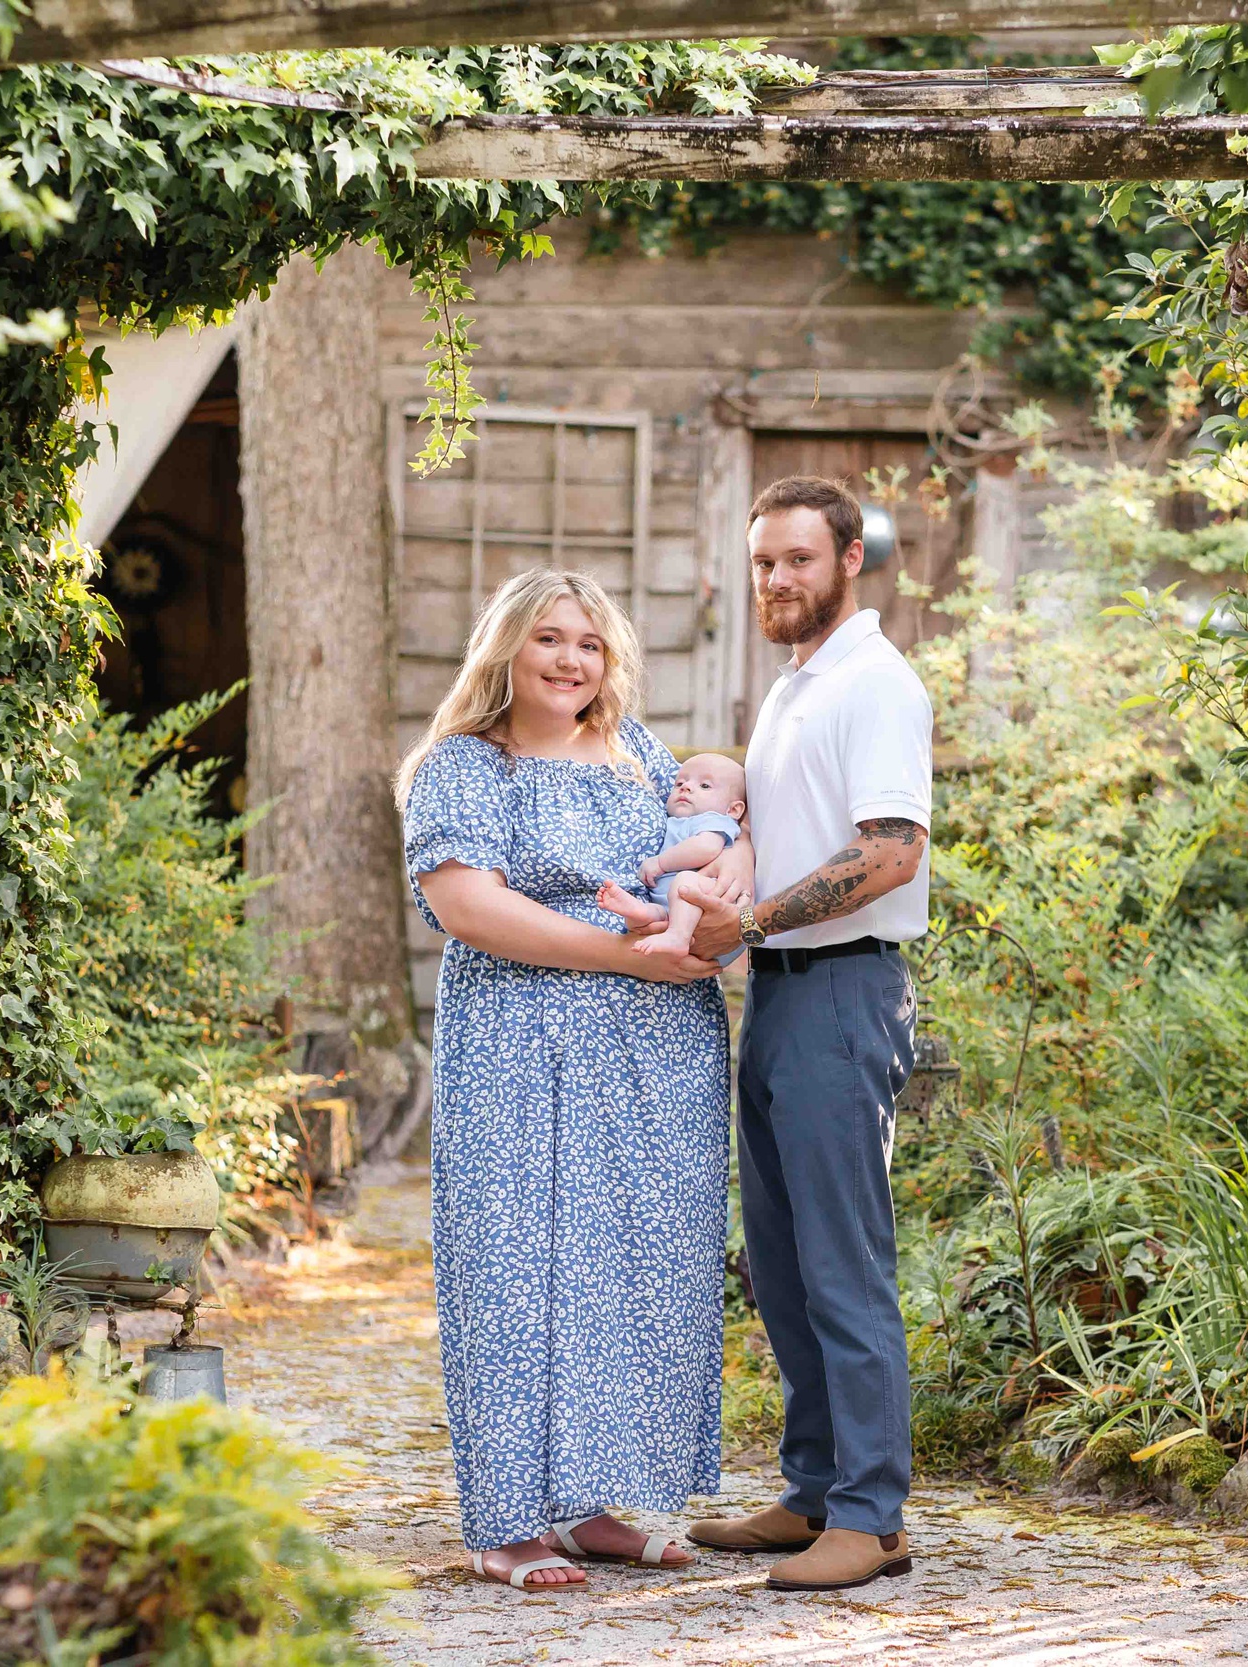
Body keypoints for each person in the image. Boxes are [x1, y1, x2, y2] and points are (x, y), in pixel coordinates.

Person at [395, 568, 745, 1592]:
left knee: (627, 1263)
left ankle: (589, 1503)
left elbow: (710, 849)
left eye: (587, 643)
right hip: (516, 1041)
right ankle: (506, 1520)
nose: (568, 660)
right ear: (506, 647)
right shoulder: (466, 765)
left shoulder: (640, 754)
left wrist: (719, 900)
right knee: (514, 1263)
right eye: (548, 638)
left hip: (655, 1054)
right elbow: (469, 908)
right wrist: (626, 955)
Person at [682, 475, 932, 1594]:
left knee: (843, 1261)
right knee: (782, 1264)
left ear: (848, 561)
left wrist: (756, 918)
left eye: (797, 559)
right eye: (762, 563)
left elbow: (890, 850)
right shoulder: (797, 684)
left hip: (841, 992)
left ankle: (873, 1517)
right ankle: (814, 1490)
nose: (777, 580)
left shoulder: (873, 683)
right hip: (780, 991)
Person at [595, 751, 751, 961]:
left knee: (686, 882)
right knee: (651, 916)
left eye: (704, 786)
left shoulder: (715, 821)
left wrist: (661, 863)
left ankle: (678, 936)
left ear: (733, 809)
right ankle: (640, 913)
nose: (686, 787)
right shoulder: (677, 821)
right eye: (679, 784)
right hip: (676, 909)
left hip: (707, 902)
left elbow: (706, 848)